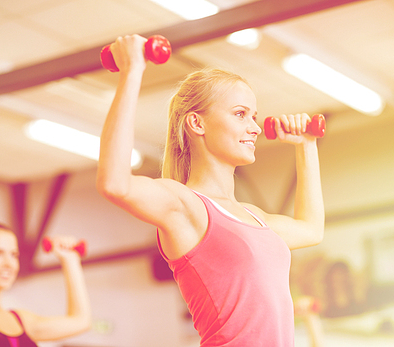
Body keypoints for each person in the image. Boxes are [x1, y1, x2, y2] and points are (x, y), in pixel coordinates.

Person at [97, 34, 324, 347]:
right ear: (197, 123)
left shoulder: (253, 217)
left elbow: (311, 230)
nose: (255, 128)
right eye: (240, 114)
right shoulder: (185, 206)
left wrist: (307, 146)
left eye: (254, 116)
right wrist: (132, 71)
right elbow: (114, 184)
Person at [0, 222, 91, 347]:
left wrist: (70, 259)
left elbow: (81, 320)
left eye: (14, 255)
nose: (9, 264)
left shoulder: (22, 321)